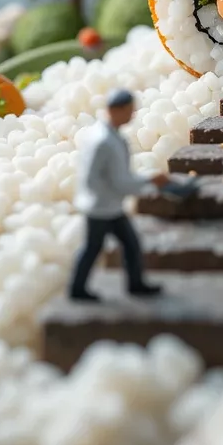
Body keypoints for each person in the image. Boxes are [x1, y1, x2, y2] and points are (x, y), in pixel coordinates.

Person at [69, 87, 170, 302]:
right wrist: (151, 180)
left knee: (127, 244)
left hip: (108, 205)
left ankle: (135, 284)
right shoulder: (105, 142)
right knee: (93, 248)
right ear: (116, 110)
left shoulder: (105, 135)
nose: (132, 115)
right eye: (129, 111)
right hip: (101, 208)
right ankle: (77, 289)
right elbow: (118, 181)